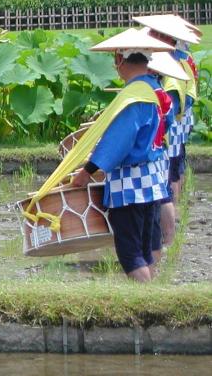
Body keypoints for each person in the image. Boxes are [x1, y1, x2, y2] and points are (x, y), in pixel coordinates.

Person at [69, 28, 175, 282]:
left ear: (119, 60)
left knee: (130, 254)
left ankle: (145, 305)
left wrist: (87, 171)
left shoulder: (133, 96)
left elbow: (118, 141)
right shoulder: (157, 92)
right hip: (153, 183)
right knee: (145, 249)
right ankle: (150, 296)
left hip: (131, 187)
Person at [133, 15, 202, 250]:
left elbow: (167, 109)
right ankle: (169, 232)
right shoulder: (183, 60)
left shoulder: (169, 67)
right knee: (173, 174)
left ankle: (167, 238)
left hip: (167, 134)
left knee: (165, 185)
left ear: (163, 37)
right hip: (177, 128)